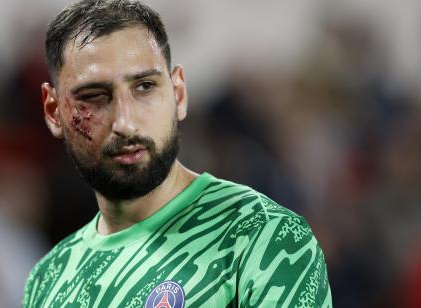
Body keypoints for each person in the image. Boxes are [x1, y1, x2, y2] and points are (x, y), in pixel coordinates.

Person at [22, 0, 332, 307]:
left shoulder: (264, 238)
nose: (125, 123)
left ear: (178, 93)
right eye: (93, 97)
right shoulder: (49, 280)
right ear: (53, 111)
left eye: (144, 87)